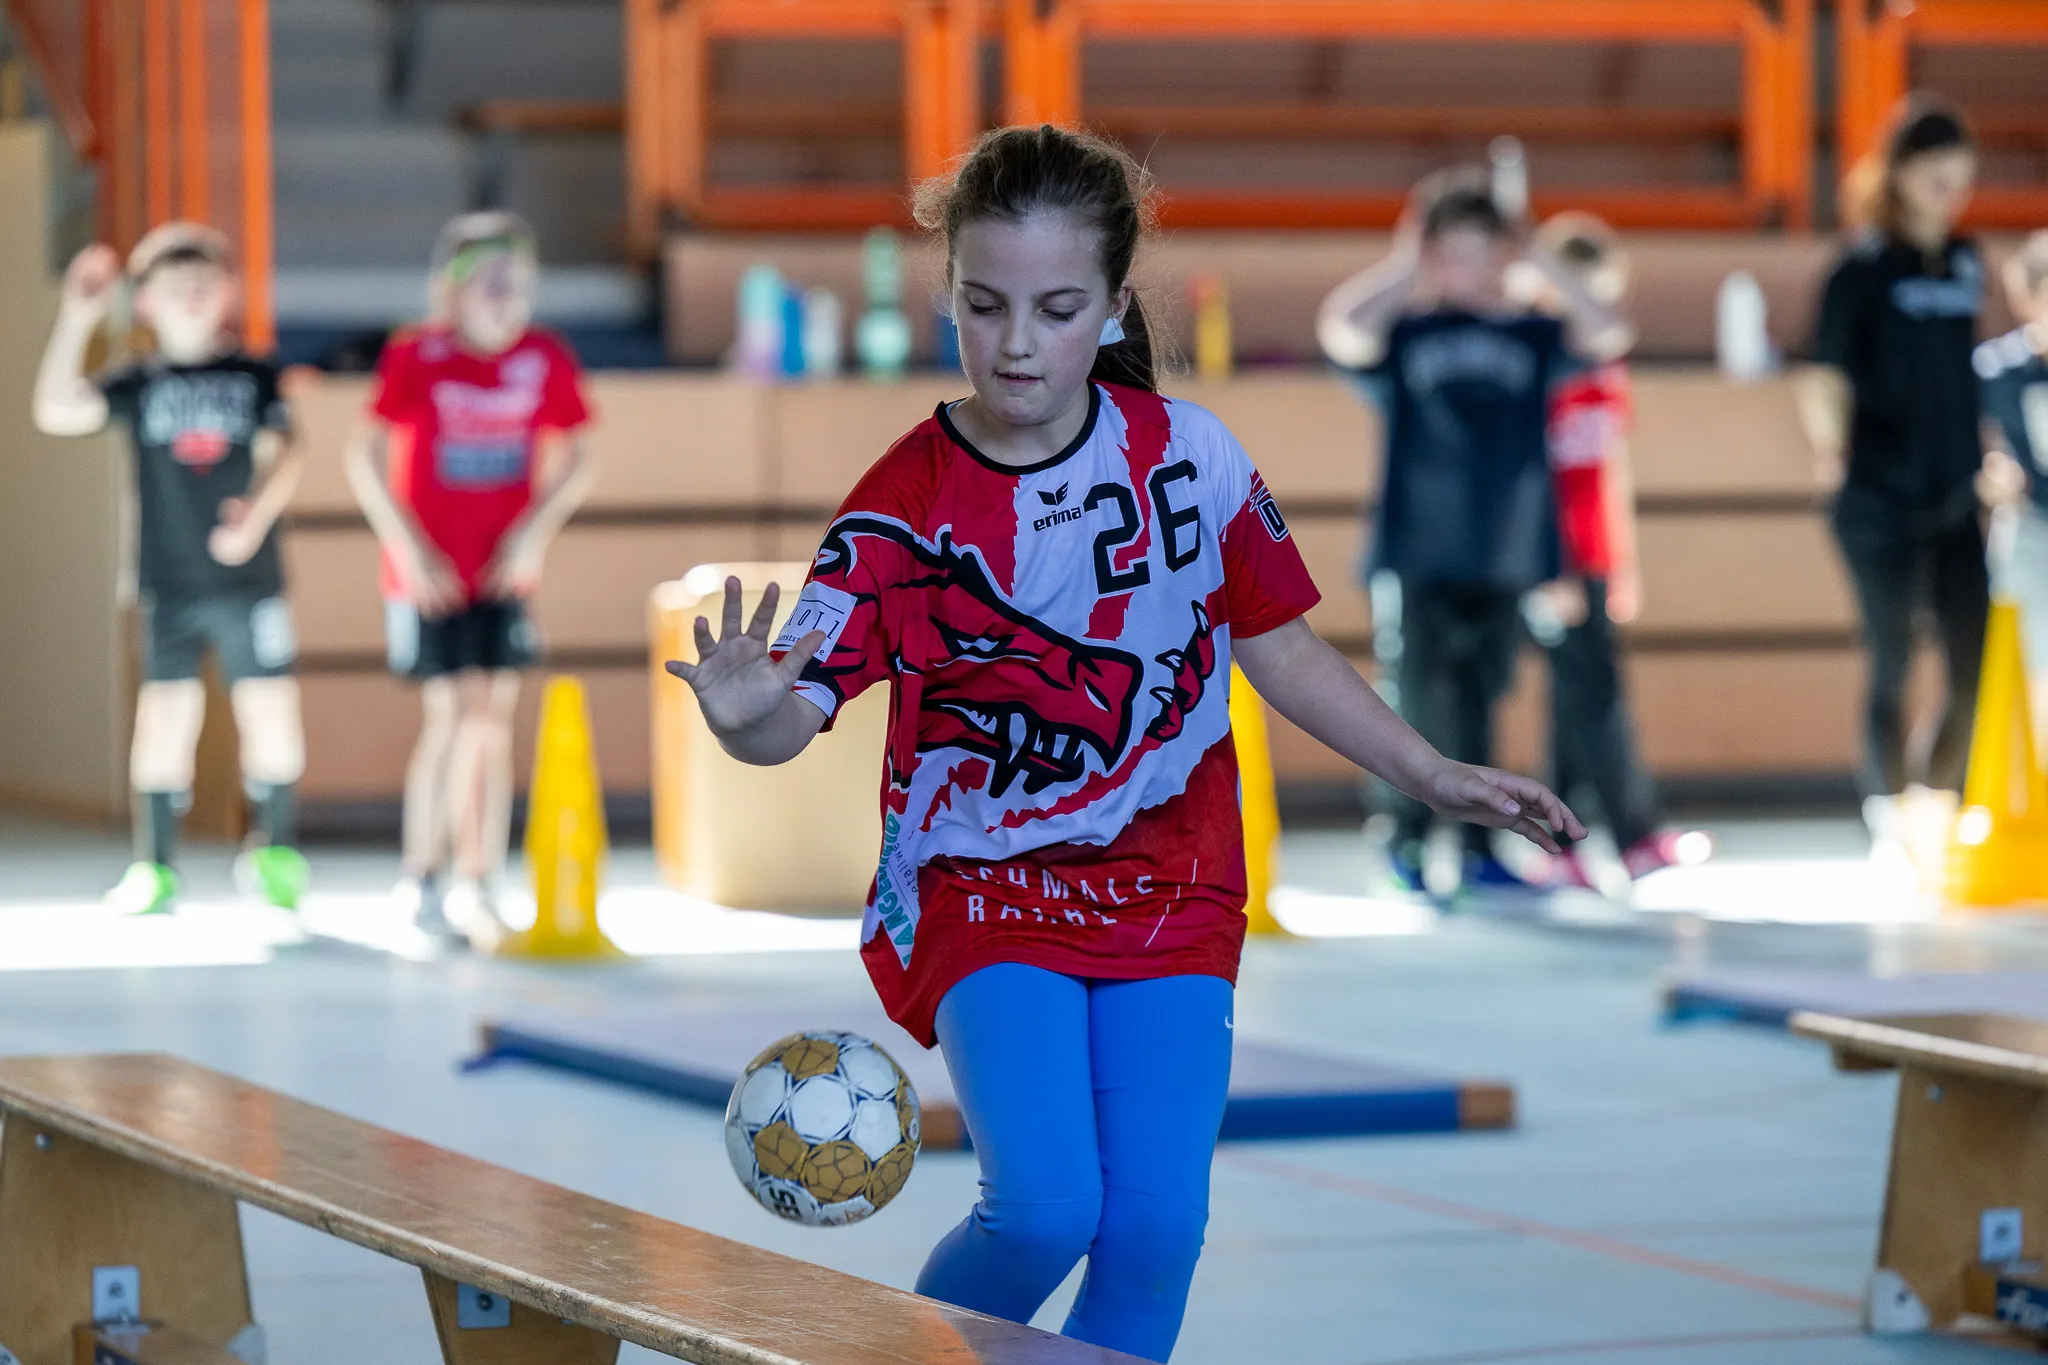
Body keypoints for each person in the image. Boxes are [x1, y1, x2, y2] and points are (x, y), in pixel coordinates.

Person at [668, 125, 1582, 1364]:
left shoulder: (1189, 459)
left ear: (1108, 308)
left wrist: (1431, 773)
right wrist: (744, 720)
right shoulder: (900, 510)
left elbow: (1285, 648)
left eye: (1054, 309)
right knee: (1046, 1209)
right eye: (981, 306)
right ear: (947, 297)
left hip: (1172, 876)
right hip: (982, 882)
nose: (1013, 343)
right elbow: (792, 715)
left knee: (1152, 1233)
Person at [1317, 169, 1631, 898]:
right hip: (1416, 554)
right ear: (1432, 255)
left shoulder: (1532, 333)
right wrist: (1404, 266)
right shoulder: (1409, 330)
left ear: (1506, 253)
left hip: (1505, 554)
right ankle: (1407, 841)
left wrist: (1541, 261)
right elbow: (1342, 326)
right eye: (1451, 252)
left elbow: (1610, 329)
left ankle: (1479, 848)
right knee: (1415, 705)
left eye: (1485, 251)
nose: (1470, 268)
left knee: (1482, 699)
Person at [32, 222, 307, 917]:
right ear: (147, 300)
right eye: (173, 285)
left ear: (227, 292)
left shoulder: (254, 373)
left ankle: (274, 848)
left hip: (251, 583)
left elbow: (292, 450)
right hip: (170, 582)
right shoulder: (142, 380)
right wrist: (77, 317)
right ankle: (154, 865)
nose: (191, 295)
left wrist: (258, 515)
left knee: (270, 716)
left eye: (203, 283)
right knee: (164, 721)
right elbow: (55, 410)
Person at [345, 212, 596, 947]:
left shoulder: (544, 358)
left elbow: (579, 456)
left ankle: (478, 876)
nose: (505, 300)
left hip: (502, 574)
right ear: (450, 291)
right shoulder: (416, 355)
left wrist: (530, 534)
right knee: (450, 716)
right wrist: (410, 549)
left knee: (493, 720)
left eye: (519, 286)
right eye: (489, 284)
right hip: (430, 578)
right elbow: (363, 458)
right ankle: (420, 873)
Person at [1796, 97, 1988, 859]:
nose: (1950, 192)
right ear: (1900, 175)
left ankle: (1940, 798)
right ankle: (1887, 805)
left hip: (1955, 495)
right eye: (1935, 177)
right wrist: (1836, 450)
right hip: (1879, 498)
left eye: (1960, 178)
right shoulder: (1863, 268)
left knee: (1974, 659)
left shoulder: (1967, 260)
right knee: (1893, 655)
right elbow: (1825, 375)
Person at [1512, 213, 1710, 887]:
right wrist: (1547, 565)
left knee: (1576, 699)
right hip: (1552, 557)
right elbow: (1527, 475)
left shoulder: (1603, 366)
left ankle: (1556, 844)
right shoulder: (1537, 365)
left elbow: (1612, 464)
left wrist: (1624, 559)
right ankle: (1634, 836)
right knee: (1598, 695)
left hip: (1594, 554)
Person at [1975, 230, 2048, 736]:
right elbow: (1974, 450)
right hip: (2030, 527)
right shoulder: (1997, 370)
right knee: (2028, 659)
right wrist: (1993, 473)